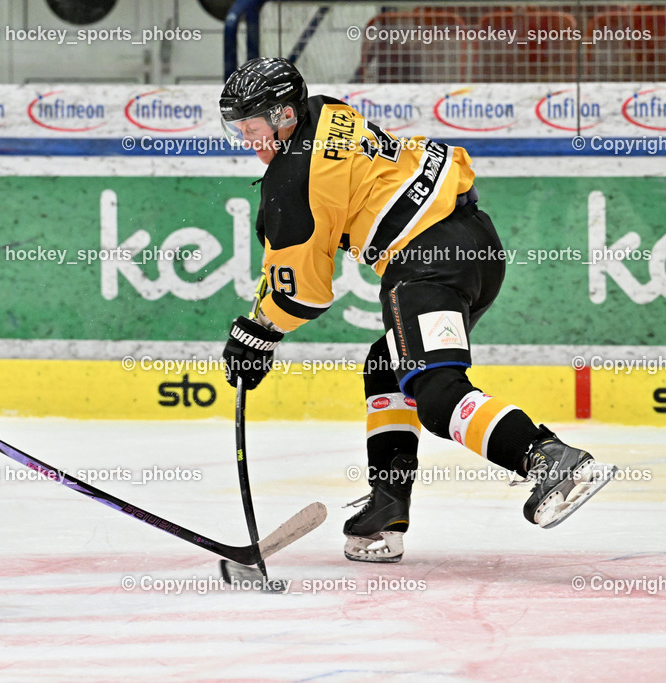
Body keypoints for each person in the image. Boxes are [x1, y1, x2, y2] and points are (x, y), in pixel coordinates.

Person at [218, 57, 617, 563]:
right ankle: (387, 508)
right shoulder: (323, 110)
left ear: (285, 115)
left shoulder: (292, 179)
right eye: (237, 130)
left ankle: (549, 459)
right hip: (475, 244)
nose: (248, 142)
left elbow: (303, 292)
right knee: (387, 366)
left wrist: (257, 333)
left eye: (252, 128)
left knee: (436, 394)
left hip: (427, 264)